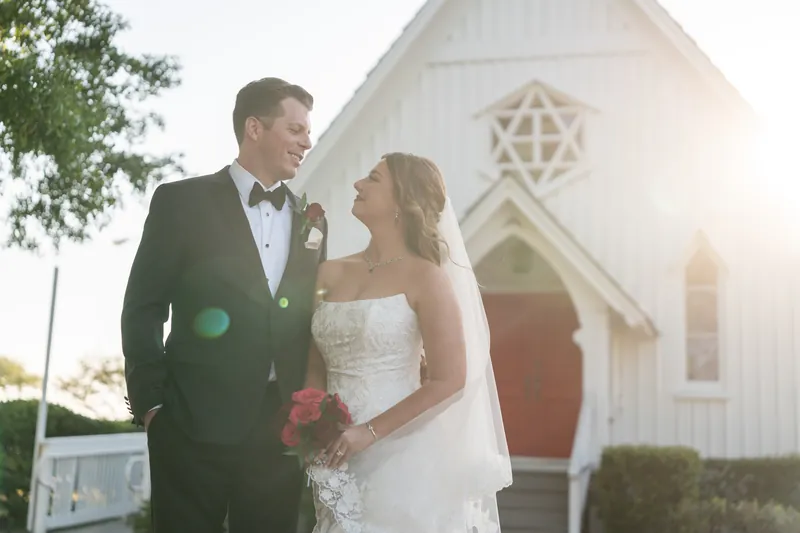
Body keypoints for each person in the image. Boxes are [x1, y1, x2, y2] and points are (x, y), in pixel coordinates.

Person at [121, 77, 327, 532]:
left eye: (307, 132)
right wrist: (152, 406)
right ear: (254, 128)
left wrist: (309, 411)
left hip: (281, 432)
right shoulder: (181, 202)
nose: (306, 141)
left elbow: (310, 320)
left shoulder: (312, 222)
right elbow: (143, 305)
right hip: (189, 423)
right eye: (295, 129)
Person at [304, 153, 512, 532]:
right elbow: (316, 359)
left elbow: (449, 379)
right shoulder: (329, 271)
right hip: (333, 453)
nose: (357, 184)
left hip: (403, 450)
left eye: (372, 178)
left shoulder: (427, 277)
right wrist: (312, 423)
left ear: (402, 201)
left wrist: (367, 433)